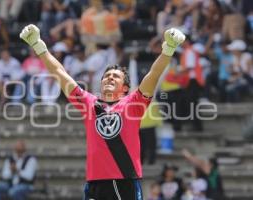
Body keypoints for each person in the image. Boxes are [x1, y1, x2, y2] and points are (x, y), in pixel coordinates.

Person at [19, 24, 185, 199]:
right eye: (106, 76)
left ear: (126, 88)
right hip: (94, 183)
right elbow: (60, 73)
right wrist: (38, 45)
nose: (110, 78)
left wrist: (169, 49)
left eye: (115, 76)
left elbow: (153, 74)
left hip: (124, 180)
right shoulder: (89, 103)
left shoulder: (134, 103)